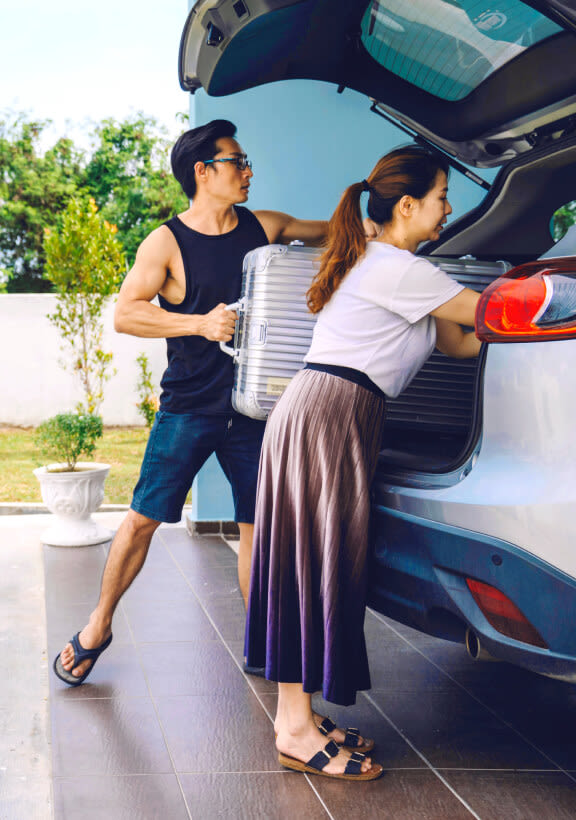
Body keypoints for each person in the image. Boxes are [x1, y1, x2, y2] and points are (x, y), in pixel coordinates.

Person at [53, 119, 327, 686]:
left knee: (258, 527)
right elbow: (127, 312)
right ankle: (98, 626)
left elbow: (330, 233)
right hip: (190, 408)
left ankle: (262, 643)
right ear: (203, 172)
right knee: (142, 521)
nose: (249, 170)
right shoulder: (166, 241)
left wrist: (371, 211)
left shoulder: (264, 227)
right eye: (237, 160)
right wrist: (200, 324)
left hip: (255, 411)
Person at [244, 145, 482, 781]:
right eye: (440, 198)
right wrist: (541, 293)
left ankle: (299, 715)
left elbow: (462, 341)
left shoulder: (398, 267)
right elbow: (481, 315)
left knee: (315, 560)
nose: (447, 209)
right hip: (332, 412)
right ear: (407, 206)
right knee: (309, 563)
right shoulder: (399, 269)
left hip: (331, 412)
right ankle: (293, 728)